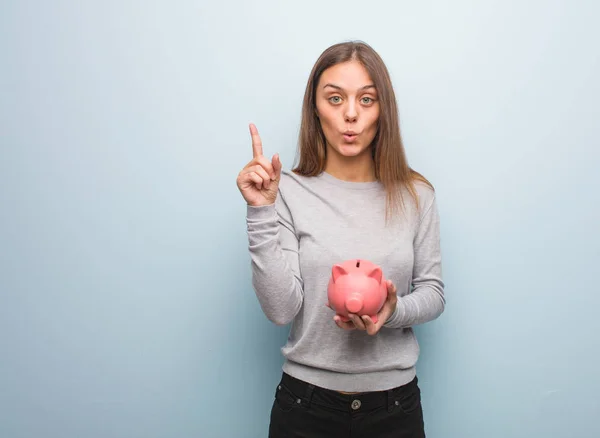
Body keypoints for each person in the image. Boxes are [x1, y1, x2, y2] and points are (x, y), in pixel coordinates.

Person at [236, 41, 445, 438]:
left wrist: (392, 311)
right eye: (335, 98)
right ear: (315, 107)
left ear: (383, 109)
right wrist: (261, 210)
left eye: (367, 99)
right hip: (305, 407)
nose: (351, 114)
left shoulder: (418, 194)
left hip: (394, 407)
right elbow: (281, 310)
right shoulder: (287, 191)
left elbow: (433, 293)